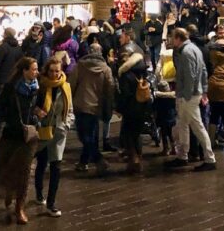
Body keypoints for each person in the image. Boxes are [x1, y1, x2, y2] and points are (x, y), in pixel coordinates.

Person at [0, 57, 41, 225]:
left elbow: (38, 107)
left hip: (29, 137)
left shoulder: (37, 88)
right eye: (33, 69)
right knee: (5, 165)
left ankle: (19, 208)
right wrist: (13, 120)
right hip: (12, 134)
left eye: (36, 69)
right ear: (24, 71)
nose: (36, 72)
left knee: (25, 171)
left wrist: (37, 115)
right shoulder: (11, 87)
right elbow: (0, 108)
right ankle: (9, 191)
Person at [165, 28, 216, 171]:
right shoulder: (195, 49)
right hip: (193, 93)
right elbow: (203, 71)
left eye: (172, 38)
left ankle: (209, 158)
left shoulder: (186, 52)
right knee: (184, 124)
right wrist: (204, 90)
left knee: (197, 126)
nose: (171, 40)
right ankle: (183, 155)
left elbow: (190, 76)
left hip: (189, 96)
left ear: (178, 38)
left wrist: (185, 95)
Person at [34, 58, 72, 218]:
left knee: (56, 167)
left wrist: (67, 124)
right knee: (42, 164)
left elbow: (70, 109)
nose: (55, 74)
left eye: (57, 71)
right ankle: (39, 193)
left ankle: (51, 203)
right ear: (46, 71)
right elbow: (33, 105)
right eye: (51, 71)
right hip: (43, 131)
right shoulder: (41, 86)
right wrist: (37, 111)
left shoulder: (66, 86)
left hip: (59, 132)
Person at [69, 42, 114, 175]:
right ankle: (84, 162)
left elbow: (71, 84)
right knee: (91, 135)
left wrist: (70, 101)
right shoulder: (106, 69)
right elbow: (109, 89)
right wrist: (108, 106)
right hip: (96, 106)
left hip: (81, 104)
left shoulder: (80, 66)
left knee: (84, 136)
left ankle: (97, 159)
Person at [115, 42, 149, 173]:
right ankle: (138, 157)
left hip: (130, 107)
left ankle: (134, 159)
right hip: (142, 105)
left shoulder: (125, 73)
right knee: (137, 133)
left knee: (128, 134)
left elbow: (125, 93)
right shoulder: (142, 69)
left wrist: (119, 108)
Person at [0, 27, 23, 133]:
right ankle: (7, 122)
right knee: (9, 101)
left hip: (1, 79)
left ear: (6, 34)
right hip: (12, 79)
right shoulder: (18, 48)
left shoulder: (2, 47)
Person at [154, 48, 177, 155]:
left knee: (164, 132)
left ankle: (166, 148)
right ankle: (174, 147)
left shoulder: (163, 55)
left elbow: (157, 70)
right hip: (173, 83)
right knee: (170, 132)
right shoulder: (176, 54)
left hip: (162, 118)